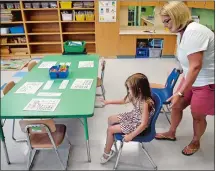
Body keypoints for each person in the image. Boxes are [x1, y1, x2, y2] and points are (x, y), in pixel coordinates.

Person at [155, 1, 215, 156]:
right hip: (190, 78)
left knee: (197, 115)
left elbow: (196, 66)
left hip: (205, 82)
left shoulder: (195, 32)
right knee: (176, 106)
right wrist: (179, 71)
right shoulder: (182, 32)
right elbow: (187, 60)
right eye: (164, 22)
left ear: (178, 16)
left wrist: (180, 92)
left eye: (167, 21)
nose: (166, 25)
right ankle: (171, 132)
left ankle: (196, 141)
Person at [100, 73, 155, 164]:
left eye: (130, 88)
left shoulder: (145, 103)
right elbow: (123, 101)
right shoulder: (137, 95)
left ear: (139, 89)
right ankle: (111, 139)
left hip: (138, 125)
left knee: (110, 130)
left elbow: (143, 124)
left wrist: (131, 136)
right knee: (110, 119)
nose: (129, 91)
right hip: (134, 116)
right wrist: (108, 102)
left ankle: (107, 153)